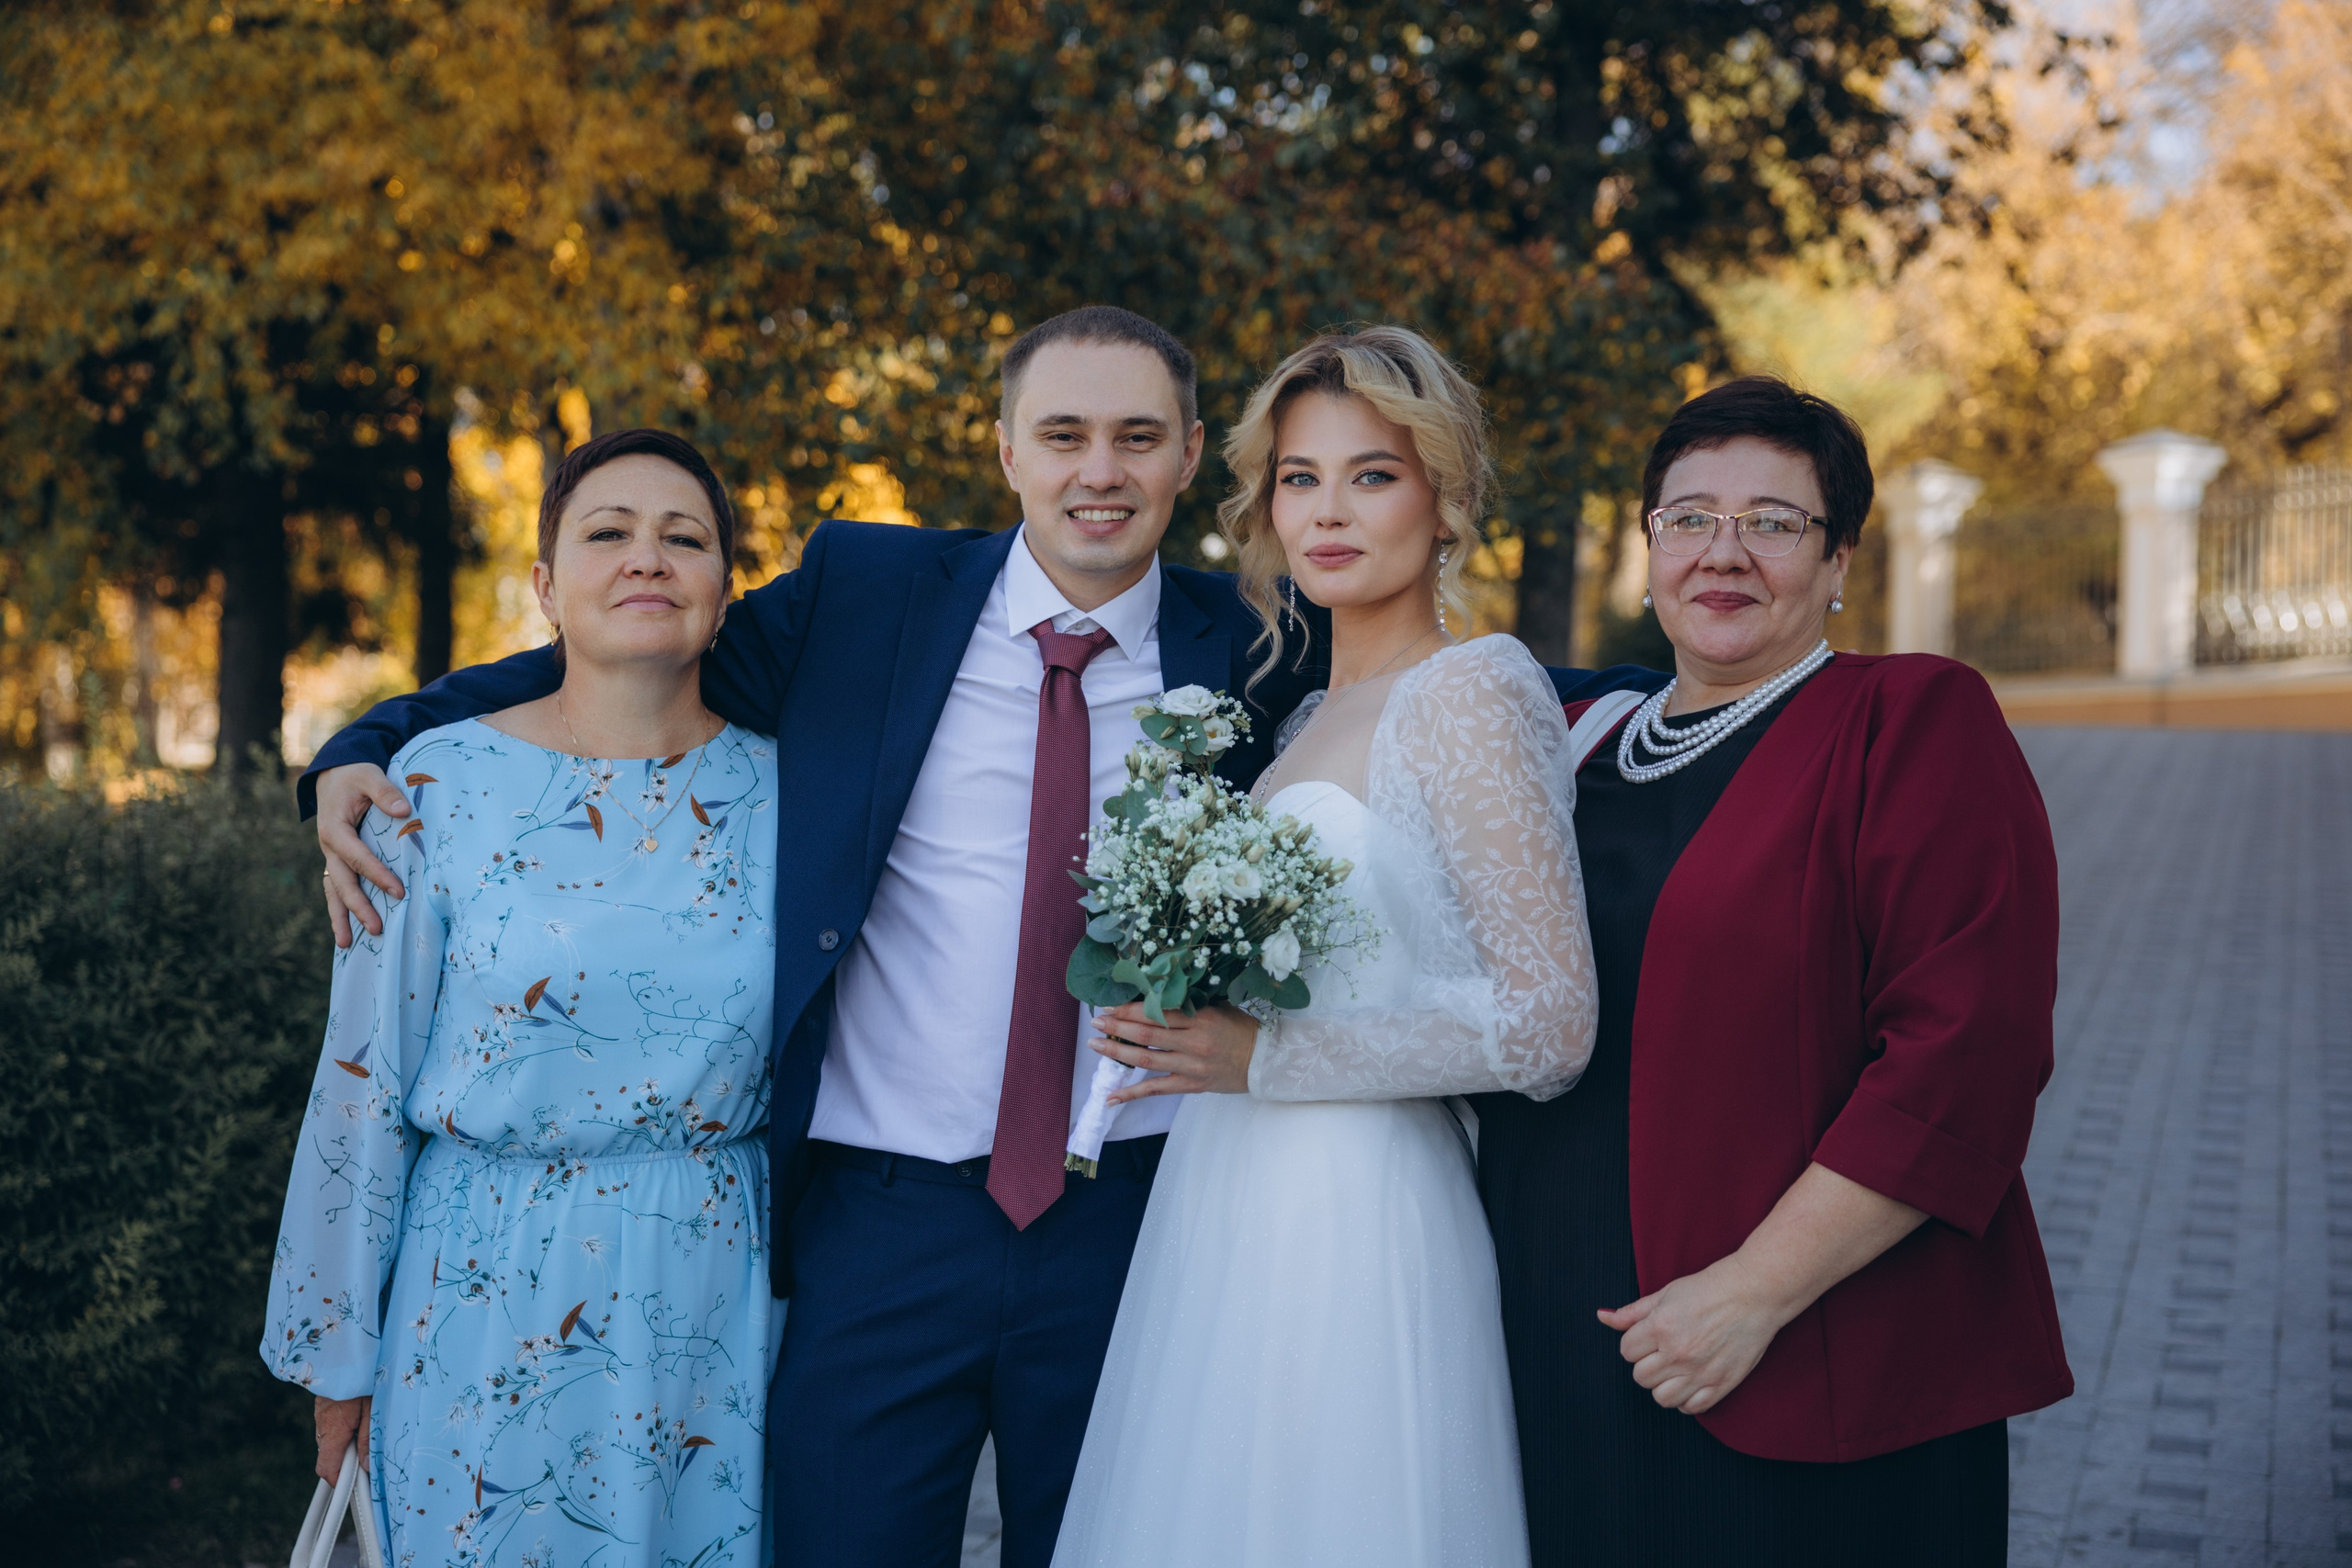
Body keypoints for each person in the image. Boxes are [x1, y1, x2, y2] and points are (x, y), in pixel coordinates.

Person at [301, 309, 1658, 1565]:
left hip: (1143, 1215)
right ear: (1006, 448)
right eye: (1063, 434)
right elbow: (633, 643)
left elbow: (1456, 696)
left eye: (1137, 437)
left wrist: (1702, 703)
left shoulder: (1256, 638)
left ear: (1191, 455)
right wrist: (364, 742)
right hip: (883, 1222)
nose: (1098, 472)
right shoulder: (868, 593)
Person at [1475, 376, 2074, 1567]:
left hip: (1807, 1353)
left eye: (1774, 522)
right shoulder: (1573, 743)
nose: (1724, 551)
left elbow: (1965, 1057)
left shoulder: (1909, 720)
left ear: (1839, 556)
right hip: (1561, 1342)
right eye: (1690, 517)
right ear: (1649, 545)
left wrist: (1751, 1292)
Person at [1052, 327, 1595, 1567]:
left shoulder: (1472, 690)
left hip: (1360, 1205)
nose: (1328, 511)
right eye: (1299, 477)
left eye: (1373, 474)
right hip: (1229, 1194)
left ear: (1444, 498)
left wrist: (1264, 1059)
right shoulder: (1301, 712)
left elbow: (1551, 1025)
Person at [263, 429, 780, 1564]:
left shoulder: (791, 795)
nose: (646, 558)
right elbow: (361, 1083)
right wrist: (337, 1359)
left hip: (714, 1294)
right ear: (545, 587)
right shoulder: (432, 786)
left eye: (684, 538)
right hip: (483, 1285)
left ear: (724, 591)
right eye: (609, 533)